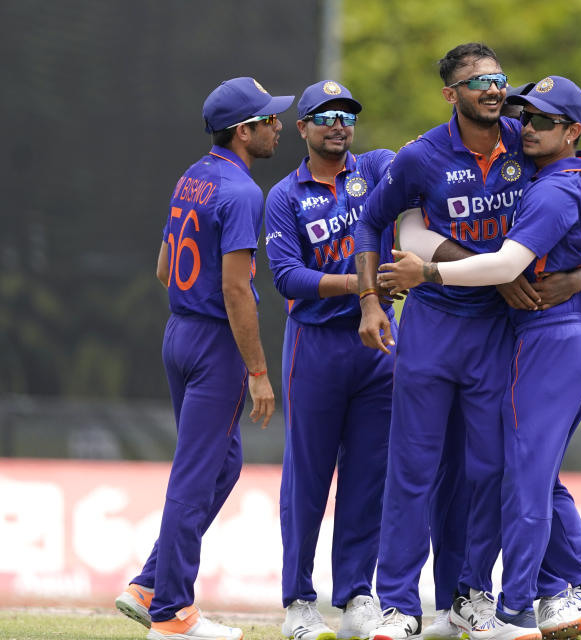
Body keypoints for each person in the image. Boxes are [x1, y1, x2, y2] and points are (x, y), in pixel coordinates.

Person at [354, 45, 581, 640]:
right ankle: (396, 604)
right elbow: (380, 221)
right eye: (479, 83)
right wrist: (370, 300)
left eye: (499, 80)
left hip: (502, 334)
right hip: (433, 325)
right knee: (412, 469)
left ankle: (471, 597)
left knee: (489, 469)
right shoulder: (421, 156)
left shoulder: (529, 144)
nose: (495, 91)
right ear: (451, 94)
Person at [114, 77, 290, 640]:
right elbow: (238, 291)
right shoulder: (243, 193)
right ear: (244, 131)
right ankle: (171, 614)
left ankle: (148, 585)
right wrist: (259, 372)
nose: (277, 126)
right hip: (216, 344)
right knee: (195, 476)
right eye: (268, 119)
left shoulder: (194, 175)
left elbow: (166, 267)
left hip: (179, 332)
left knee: (223, 465)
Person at [264, 80, 397, 640]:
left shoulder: (380, 168)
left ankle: (358, 596)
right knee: (307, 476)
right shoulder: (285, 196)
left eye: (346, 113)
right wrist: (362, 284)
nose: (337, 123)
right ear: (302, 128)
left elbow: (431, 166)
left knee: (369, 475)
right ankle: (298, 599)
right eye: (324, 115)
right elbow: (286, 278)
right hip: (316, 348)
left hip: (378, 350)